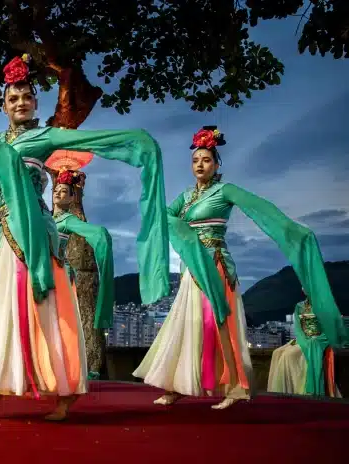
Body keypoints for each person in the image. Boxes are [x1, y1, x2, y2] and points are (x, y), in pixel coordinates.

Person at [0, 54, 169, 421]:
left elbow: (96, 139)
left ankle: (56, 393)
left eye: (26, 97)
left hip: (37, 231)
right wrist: (3, 157)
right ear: (3, 105)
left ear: (35, 103)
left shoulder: (46, 136)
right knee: (5, 307)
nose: (21, 102)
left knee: (45, 308)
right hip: (7, 231)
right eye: (13, 98)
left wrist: (136, 142)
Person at [133, 126, 347, 409]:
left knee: (219, 325)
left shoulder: (225, 191)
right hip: (192, 270)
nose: (200, 164)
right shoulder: (185, 198)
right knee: (186, 324)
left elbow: (260, 208)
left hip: (215, 265)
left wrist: (292, 230)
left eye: (206, 160)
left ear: (217, 164)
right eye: (195, 160)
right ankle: (175, 386)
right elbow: (162, 216)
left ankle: (235, 388)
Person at [52, 168, 114, 380]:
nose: (58, 195)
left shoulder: (70, 220)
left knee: (67, 321)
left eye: (64, 192)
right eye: (55, 191)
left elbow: (97, 233)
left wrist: (102, 240)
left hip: (61, 274)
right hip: (43, 274)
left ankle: (80, 365)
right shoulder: (45, 218)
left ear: (73, 197)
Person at [268, 289, 342, 397]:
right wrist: (304, 340)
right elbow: (298, 328)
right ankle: (282, 392)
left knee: (287, 355)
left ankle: (296, 390)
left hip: (318, 340)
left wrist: (316, 340)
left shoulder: (325, 305)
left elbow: (331, 329)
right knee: (277, 352)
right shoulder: (299, 306)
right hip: (304, 339)